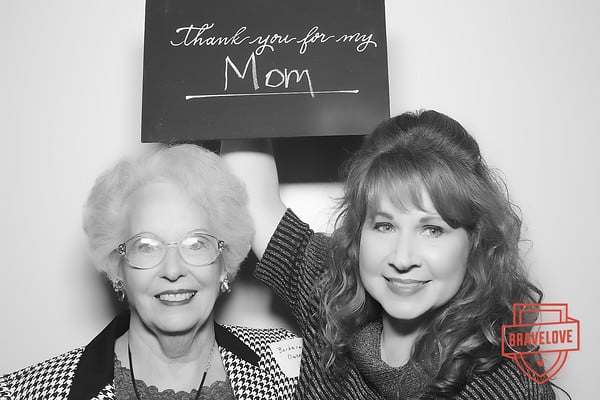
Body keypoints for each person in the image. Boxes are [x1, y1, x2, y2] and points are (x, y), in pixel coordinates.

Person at [221, 110, 556, 399]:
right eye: (384, 226)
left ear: (474, 242)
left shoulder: (506, 385)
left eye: (432, 229)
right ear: (358, 235)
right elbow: (251, 194)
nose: (402, 257)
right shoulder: (328, 292)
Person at [0, 144, 301, 400]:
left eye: (196, 243)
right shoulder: (24, 392)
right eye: (147, 245)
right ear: (118, 267)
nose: (173, 270)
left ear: (224, 261)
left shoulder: (292, 374)